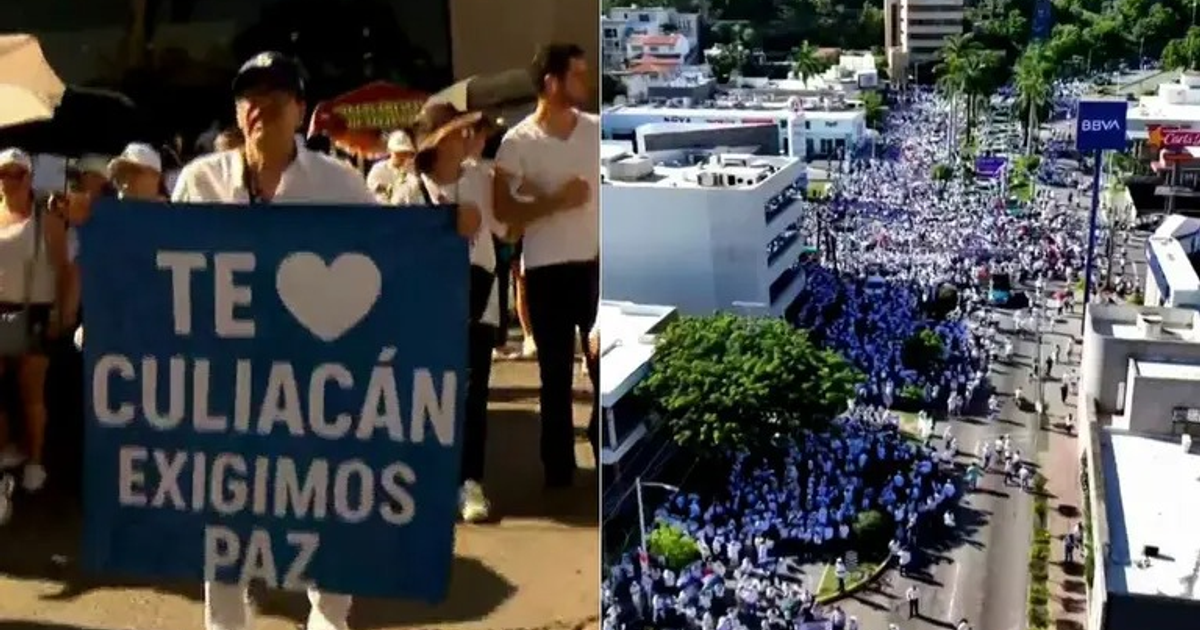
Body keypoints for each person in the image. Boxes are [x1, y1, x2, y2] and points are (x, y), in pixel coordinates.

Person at [171, 50, 470, 630]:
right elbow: (161, 268)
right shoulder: (200, 182)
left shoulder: (338, 185)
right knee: (227, 511)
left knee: (325, 504)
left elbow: (392, 257)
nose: (259, 110)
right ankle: (226, 623)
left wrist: (445, 231)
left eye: (274, 98)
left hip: (317, 384)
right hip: (228, 384)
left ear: (300, 109)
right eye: (248, 99)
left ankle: (329, 618)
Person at [493, 42, 599, 485]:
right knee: (555, 377)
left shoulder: (595, 130)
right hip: (547, 272)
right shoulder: (517, 143)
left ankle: (600, 443)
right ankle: (558, 472)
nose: (586, 82)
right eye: (576, 74)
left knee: (603, 367)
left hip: (596, 267)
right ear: (551, 82)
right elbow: (503, 211)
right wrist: (556, 201)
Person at [408, 102, 495, 522]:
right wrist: (446, 226)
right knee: (428, 393)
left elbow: (502, 226)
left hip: (478, 300)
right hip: (427, 306)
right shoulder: (409, 190)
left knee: (473, 394)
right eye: (458, 132)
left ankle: (469, 480)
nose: (468, 139)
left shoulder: (480, 178)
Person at [0, 148, 70, 493]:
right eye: (1, 174)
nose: (6, 181)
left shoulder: (47, 218)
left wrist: (62, 311)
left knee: (32, 394)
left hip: (36, 310)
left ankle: (35, 461)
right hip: (0, 308)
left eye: (14, 174)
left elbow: (66, 269)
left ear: (28, 177)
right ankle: (4, 453)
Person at [367, 129, 416, 203]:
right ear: (390, 151)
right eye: (398, 153)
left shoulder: (413, 170)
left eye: (405, 153)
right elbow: (371, 186)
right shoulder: (379, 168)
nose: (402, 156)